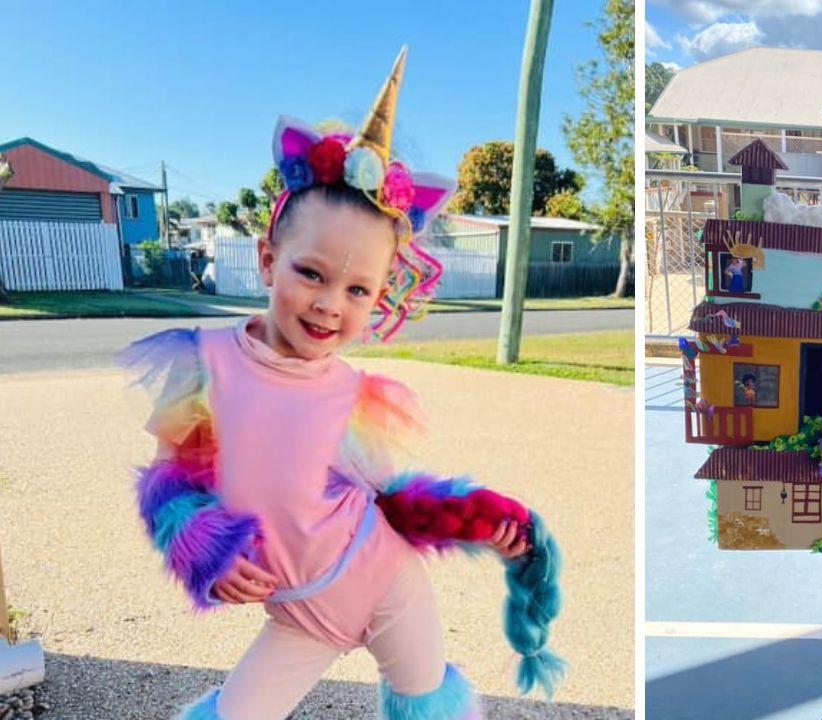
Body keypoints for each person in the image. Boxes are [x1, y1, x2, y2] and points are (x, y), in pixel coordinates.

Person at [120, 49, 563, 720]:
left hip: (388, 585)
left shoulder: (354, 393)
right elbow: (167, 484)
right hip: (301, 615)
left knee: (429, 708)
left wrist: (484, 519)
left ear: (382, 295)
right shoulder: (203, 365)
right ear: (269, 260)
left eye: (359, 289)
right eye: (312, 274)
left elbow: (391, 502)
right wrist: (201, 546)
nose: (331, 303)